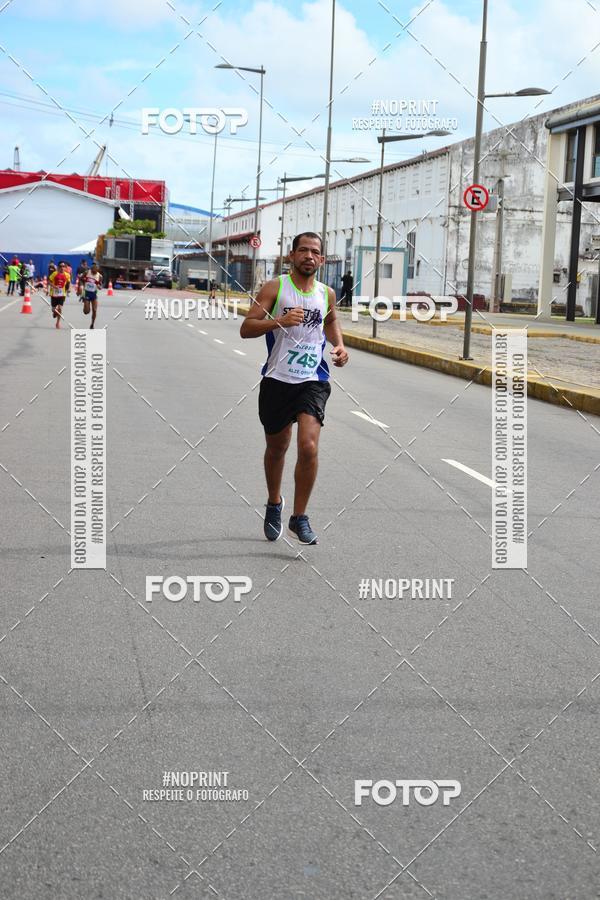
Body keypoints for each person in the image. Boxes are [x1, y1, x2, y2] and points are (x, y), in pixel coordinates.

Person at [240, 231, 349, 545]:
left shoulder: (326, 293)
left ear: (322, 259)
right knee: (277, 449)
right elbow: (246, 328)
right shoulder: (276, 288)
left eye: (315, 252)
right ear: (292, 255)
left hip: (313, 380)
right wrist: (279, 321)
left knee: (308, 446)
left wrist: (340, 347)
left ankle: (299, 517)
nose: (309, 256)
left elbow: (330, 322)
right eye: (303, 250)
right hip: (277, 380)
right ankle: (274, 503)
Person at [48, 261, 71, 329]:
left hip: (62, 294)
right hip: (54, 294)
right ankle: (55, 312)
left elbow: (68, 283)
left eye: (63, 266)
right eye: (60, 266)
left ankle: (58, 323)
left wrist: (69, 289)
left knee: (60, 308)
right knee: (53, 309)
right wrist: (54, 286)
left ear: (65, 267)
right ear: (58, 267)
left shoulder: (67, 275)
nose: (62, 267)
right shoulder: (54, 274)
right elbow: (49, 282)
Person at [81, 263, 102, 328]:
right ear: (91, 268)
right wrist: (81, 286)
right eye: (93, 269)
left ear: (97, 269)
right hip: (86, 293)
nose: (94, 270)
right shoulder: (87, 272)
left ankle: (92, 324)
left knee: (95, 310)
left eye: (96, 269)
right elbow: (80, 279)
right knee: (86, 312)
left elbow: (100, 285)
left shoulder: (100, 276)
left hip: (94, 294)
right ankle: (86, 307)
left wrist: (99, 286)